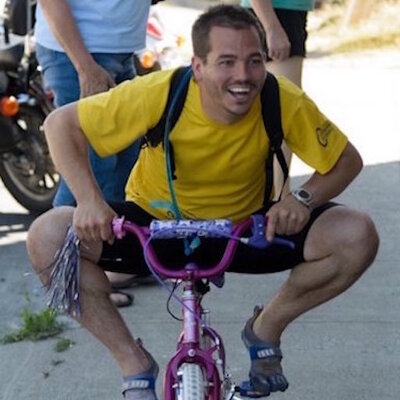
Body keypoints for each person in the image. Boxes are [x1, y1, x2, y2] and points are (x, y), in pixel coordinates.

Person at [26, 5, 379, 400]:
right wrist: (89, 200)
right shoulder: (162, 92)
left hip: (243, 230)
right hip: (153, 227)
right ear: (198, 66)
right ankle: (133, 365)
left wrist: (302, 198)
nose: (243, 76)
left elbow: (346, 160)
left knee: (356, 234)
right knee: (48, 236)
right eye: (226, 62)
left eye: (254, 61)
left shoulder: (279, 98)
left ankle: (265, 329)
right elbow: (60, 125)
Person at [35, 0, 154, 306]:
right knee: (88, 170)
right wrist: (85, 67)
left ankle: (109, 270)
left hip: (119, 50)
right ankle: (66, 279)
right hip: (81, 54)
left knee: (124, 165)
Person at [241, 0, 315, 197]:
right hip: (276, 15)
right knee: (286, 111)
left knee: (276, 111)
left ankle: (274, 194)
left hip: (281, 14)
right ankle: (278, 197)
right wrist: (271, 27)